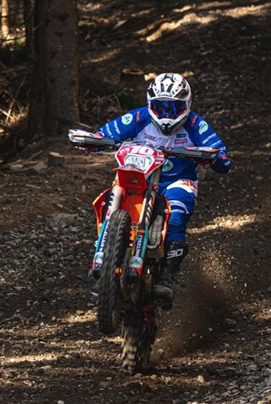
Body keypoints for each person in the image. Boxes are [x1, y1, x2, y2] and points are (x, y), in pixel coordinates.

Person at [90, 72, 231, 308]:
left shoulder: (196, 124)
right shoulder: (139, 117)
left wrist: (213, 157)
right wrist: (92, 141)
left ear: (186, 105)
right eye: (160, 107)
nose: (166, 114)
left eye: (173, 108)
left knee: (176, 213)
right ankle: (103, 263)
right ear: (150, 104)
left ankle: (167, 277)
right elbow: (105, 134)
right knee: (111, 196)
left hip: (177, 181)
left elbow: (223, 158)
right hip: (139, 177)